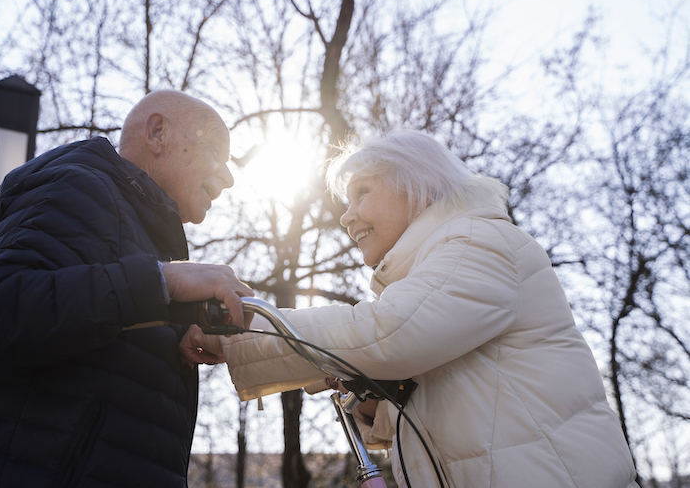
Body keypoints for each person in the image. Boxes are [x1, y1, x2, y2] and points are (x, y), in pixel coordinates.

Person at [184, 129, 639, 487]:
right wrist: (376, 413)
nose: (346, 217)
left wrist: (246, 332)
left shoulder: (477, 240)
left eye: (363, 192)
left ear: (416, 186)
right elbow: (469, 402)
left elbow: (391, 332)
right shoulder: (446, 262)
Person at [0, 90, 253, 488]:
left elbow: (92, 323)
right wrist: (163, 282)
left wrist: (180, 324)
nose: (228, 176)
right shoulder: (77, 186)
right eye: (215, 151)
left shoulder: (134, 232)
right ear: (158, 134)